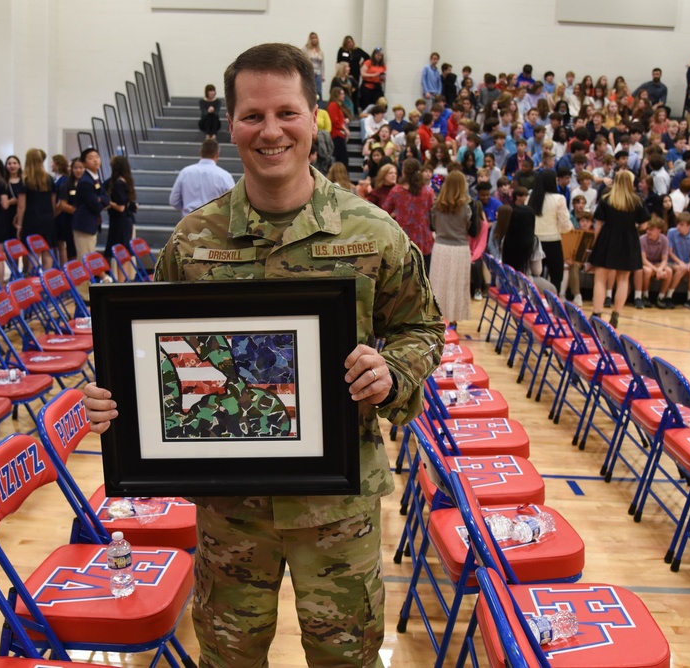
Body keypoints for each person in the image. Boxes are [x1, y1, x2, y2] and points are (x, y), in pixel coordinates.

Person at [83, 42, 442, 668]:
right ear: (232, 126)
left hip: (337, 507)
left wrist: (394, 372)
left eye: (287, 112)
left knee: (346, 659)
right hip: (229, 509)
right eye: (252, 115)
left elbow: (422, 328)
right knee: (228, 657)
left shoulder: (372, 233)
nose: (270, 130)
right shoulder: (194, 240)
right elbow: (149, 351)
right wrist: (117, 399)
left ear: (315, 119)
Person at [589, 170, 650, 326]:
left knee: (600, 280)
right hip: (628, 239)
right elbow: (644, 225)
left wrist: (595, 244)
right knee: (623, 280)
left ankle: (596, 314)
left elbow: (599, 224)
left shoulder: (607, 198)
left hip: (607, 239)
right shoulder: (637, 201)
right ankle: (616, 315)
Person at [430, 170, 475, 326]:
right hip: (460, 249)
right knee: (456, 286)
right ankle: (454, 322)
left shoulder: (436, 205)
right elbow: (473, 230)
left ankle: (437, 320)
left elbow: (432, 226)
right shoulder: (468, 207)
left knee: (438, 286)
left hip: (441, 248)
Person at [381, 158, 434, 272]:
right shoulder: (428, 191)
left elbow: (384, 211)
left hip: (403, 240)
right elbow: (432, 211)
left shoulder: (396, 191)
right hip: (424, 240)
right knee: (423, 277)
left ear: (404, 171)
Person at [169, 139, 235, 217]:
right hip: (213, 223)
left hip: (189, 221)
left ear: (200, 153)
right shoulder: (224, 176)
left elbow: (174, 201)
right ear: (217, 154)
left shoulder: (185, 172)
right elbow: (234, 203)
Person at [528, 169, 570, 292]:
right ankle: (552, 305)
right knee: (556, 277)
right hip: (553, 242)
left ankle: (536, 304)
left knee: (536, 276)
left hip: (534, 242)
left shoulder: (530, 198)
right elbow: (566, 226)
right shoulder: (559, 199)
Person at [17, 148, 57, 269]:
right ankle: (47, 278)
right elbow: (53, 203)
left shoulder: (24, 180)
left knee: (33, 251)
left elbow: (21, 206)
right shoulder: (49, 179)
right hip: (47, 218)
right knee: (47, 250)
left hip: (31, 219)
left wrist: (19, 225)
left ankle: (33, 278)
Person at [71, 147, 110, 260]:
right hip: (84, 225)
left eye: (97, 157)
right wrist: (102, 201)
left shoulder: (95, 178)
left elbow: (106, 197)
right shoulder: (86, 181)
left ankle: (88, 278)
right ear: (84, 163)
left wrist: (101, 199)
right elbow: (95, 206)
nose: (95, 160)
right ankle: (85, 279)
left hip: (91, 224)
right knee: (85, 259)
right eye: (91, 158)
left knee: (89, 257)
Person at [105, 155, 137, 279]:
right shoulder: (126, 181)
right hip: (126, 221)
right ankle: (126, 279)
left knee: (120, 254)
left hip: (119, 222)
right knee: (124, 253)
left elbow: (120, 207)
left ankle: (121, 281)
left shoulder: (118, 183)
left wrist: (108, 202)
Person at [634, 217, 674, 308]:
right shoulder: (642, 239)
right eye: (647, 229)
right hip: (645, 263)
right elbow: (643, 260)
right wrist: (657, 270)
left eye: (651, 230)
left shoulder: (664, 240)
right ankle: (645, 295)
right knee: (648, 271)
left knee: (669, 271)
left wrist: (660, 269)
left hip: (657, 263)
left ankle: (661, 297)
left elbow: (664, 259)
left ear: (659, 230)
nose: (648, 232)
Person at [54, 157, 82, 264]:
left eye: (81, 168)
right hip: (70, 221)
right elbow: (62, 204)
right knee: (71, 250)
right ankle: (73, 274)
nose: (78, 170)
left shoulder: (90, 184)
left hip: (87, 223)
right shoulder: (66, 185)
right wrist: (79, 212)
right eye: (76, 168)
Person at [326, 86, 351, 167]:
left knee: (340, 158)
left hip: (340, 134)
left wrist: (344, 121)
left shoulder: (338, 106)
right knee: (343, 159)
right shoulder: (333, 105)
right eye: (341, 94)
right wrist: (345, 129)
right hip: (336, 134)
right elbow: (335, 120)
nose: (343, 96)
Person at [304, 32, 324, 101]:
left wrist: (323, 75)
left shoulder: (320, 51)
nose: (314, 40)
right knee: (310, 91)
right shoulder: (305, 49)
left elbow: (322, 64)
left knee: (319, 92)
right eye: (312, 38)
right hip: (309, 72)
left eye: (315, 38)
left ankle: (320, 109)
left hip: (318, 73)